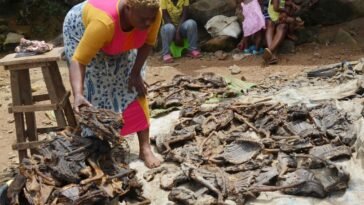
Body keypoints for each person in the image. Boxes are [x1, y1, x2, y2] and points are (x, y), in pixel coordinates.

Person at [63, 0, 162, 168]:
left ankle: (144, 148)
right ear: (129, 9)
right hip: (82, 29)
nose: (148, 23)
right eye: (143, 19)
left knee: (134, 89)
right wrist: (78, 94)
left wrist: (136, 72)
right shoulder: (103, 23)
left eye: (151, 19)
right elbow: (79, 60)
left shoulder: (152, 13)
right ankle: (98, 148)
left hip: (115, 35)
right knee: (95, 88)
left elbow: (148, 43)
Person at [263, 0, 289, 64]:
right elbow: (275, 7)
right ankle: (271, 54)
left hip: (278, 16)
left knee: (282, 26)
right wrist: (285, 10)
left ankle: (269, 52)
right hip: (269, 15)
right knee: (270, 24)